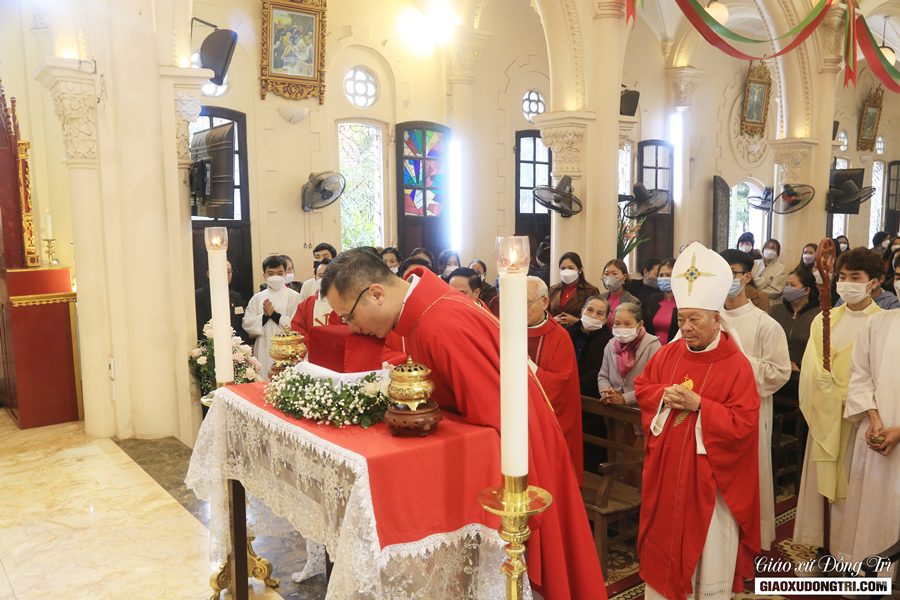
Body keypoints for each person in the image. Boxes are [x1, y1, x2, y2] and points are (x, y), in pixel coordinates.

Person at [320, 250, 607, 599]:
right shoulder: (423, 313)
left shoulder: (441, 324)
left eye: (349, 316)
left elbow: (492, 423)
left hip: (520, 456)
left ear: (376, 293)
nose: (352, 328)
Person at [634, 242, 760, 600]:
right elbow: (644, 387)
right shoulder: (668, 354)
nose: (686, 328)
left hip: (710, 479)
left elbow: (744, 423)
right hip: (667, 472)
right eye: (682, 320)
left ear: (716, 319)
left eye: (695, 320)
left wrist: (701, 405)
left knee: (705, 553)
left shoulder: (736, 366)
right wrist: (662, 396)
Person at [793, 247, 883, 555]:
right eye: (842, 277)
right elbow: (811, 368)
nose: (846, 284)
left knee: (854, 491)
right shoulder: (824, 319)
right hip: (825, 416)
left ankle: (850, 551)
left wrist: (854, 400)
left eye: (855, 278)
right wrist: (825, 389)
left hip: (859, 419)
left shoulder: (883, 324)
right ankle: (824, 547)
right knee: (822, 491)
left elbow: (883, 374)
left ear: (874, 282)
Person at [720, 248, 791, 551]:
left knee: (747, 478)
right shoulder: (707, 317)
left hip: (749, 411)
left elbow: (778, 373)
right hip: (710, 412)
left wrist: (737, 358)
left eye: (732, 273)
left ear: (747, 276)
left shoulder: (765, 324)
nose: (726, 279)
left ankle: (749, 542)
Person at [836, 309, 900, 571]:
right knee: (872, 514)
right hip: (877, 429)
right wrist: (872, 416)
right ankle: (870, 576)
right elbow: (860, 375)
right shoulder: (877, 322)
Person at [526, 276, 583, 484]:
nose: (519, 309)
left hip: (548, 423)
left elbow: (560, 385)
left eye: (526, 302)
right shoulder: (506, 332)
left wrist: (529, 366)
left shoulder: (559, 337)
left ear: (544, 302)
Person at [243, 255, 302, 380]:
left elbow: (297, 323)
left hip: (287, 348)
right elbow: (247, 323)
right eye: (270, 273)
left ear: (285, 274)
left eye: (279, 273)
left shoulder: (295, 297)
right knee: (263, 378)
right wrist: (264, 317)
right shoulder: (257, 298)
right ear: (264, 275)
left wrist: (275, 315)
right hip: (264, 344)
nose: (275, 277)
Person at [768, 268, 821, 398]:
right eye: (786, 284)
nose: (787, 289)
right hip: (774, 371)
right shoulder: (776, 310)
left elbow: (819, 351)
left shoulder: (818, 316)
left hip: (801, 376)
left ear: (806, 290)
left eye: (792, 285)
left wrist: (801, 367)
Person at [598, 302, 661, 406]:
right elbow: (603, 376)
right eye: (617, 323)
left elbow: (654, 383)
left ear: (640, 324)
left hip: (641, 409)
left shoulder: (652, 345)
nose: (621, 327)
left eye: (627, 324)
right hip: (613, 407)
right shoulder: (610, 345)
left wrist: (625, 399)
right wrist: (607, 393)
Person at [567, 296, 613, 397]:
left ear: (605, 319)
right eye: (589, 310)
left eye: (599, 313)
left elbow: (598, 372)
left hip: (590, 394)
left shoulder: (609, 341)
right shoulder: (568, 333)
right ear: (582, 310)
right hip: (564, 386)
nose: (593, 316)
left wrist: (573, 386)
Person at [194, 260, 248, 343]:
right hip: (209, 344)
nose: (227, 275)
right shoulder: (199, 295)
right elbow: (199, 326)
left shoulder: (236, 296)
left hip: (234, 344)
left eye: (229, 272)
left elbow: (241, 324)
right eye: (222, 271)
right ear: (209, 274)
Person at [290, 258, 341, 338]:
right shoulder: (306, 305)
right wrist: (312, 342)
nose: (323, 279)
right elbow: (297, 328)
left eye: (328, 275)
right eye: (320, 276)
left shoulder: (344, 302)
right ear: (315, 278)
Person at [548, 252, 600, 327]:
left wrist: (576, 321)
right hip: (556, 330)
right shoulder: (553, 290)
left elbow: (595, 320)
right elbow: (546, 314)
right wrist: (553, 320)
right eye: (563, 268)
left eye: (571, 268)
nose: (566, 271)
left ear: (580, 270)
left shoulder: (591, 290)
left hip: (578, 332)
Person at [644, 258, 679, 345]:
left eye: (668, 275)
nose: (664, 278)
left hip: (675, 348)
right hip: (652, 348)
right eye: (661, 275)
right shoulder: (651, 300)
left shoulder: (683, 302)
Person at [599, 259, 642, 327]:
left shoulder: (632, 301)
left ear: (624, 277)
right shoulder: (600, 298)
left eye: (614, 274)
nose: (610, 277)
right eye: (606, 274)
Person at [752, 238, 787, 303]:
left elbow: (776, 290)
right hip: (750, 300)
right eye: (768, 248)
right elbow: (748, 282)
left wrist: (755, 291)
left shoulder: (781, 268)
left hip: (769, 302)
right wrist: (766, 282)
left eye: (774, 249)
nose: (770, 251)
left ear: (777, 253)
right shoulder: (754, 263)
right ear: (763, 249)